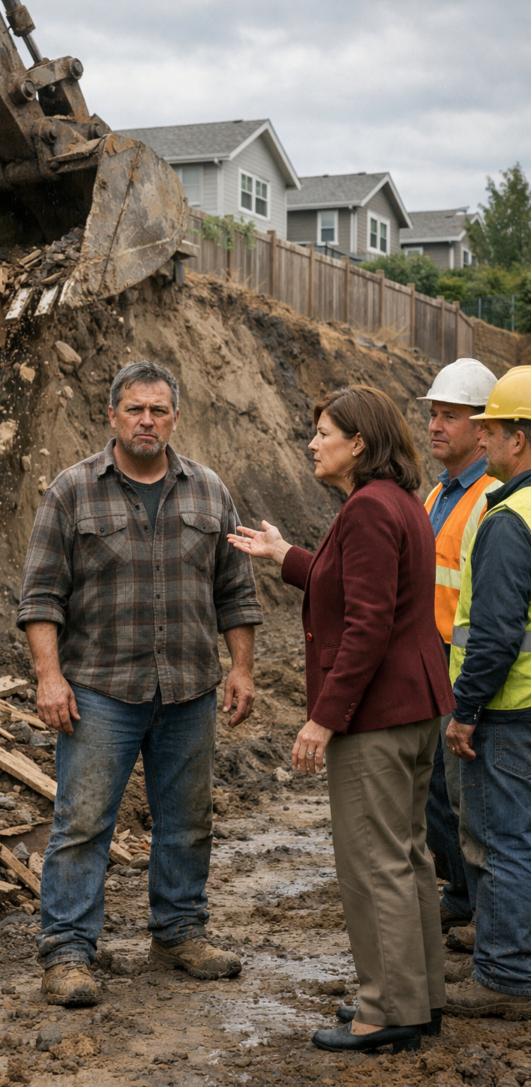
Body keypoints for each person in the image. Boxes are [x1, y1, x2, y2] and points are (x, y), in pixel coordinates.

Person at [18, 359, 263, 1007]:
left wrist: (241, 668)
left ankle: (179, 932)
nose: (147, 420)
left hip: (188, 689)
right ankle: (68, 951)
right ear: (112, 416)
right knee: (83, 822)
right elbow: (41, 597)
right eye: (135, 409)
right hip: (99, 691)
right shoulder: (72, 492)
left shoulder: (209, 492)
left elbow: (236, 590)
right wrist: (49, 679)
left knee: (186, 821)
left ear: (175, 417)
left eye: (158, 410)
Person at [228, 385, 454, 1054]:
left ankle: (387, 1009)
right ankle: (418, 997)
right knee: (408, 856)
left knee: (373, 863)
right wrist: (284, 554)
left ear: (359, 443)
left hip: (377, 717)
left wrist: (324, 719)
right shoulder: (396, 504)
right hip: (413, 708)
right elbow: (354, 585)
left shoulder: (365, 511)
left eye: (324, 432)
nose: (312, 442)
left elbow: (366, 625)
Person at [443, 366, 531, 1020]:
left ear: (517, 440)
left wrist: (465, 712)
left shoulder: (508, 519)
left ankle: (503, 976)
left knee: (503, 841)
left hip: (508, 710)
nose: (485, 439)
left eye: (492, 429)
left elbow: (495, 636)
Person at [417, 359, 499, 937]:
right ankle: (461, 892)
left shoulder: (492, 499)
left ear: (483, 428)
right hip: (431, 665)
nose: (435, 426)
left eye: (450, 416)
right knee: (435, 795)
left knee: (468, 798)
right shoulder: (438, 494)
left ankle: (482, 906)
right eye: (432, 415)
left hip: (466, 671)